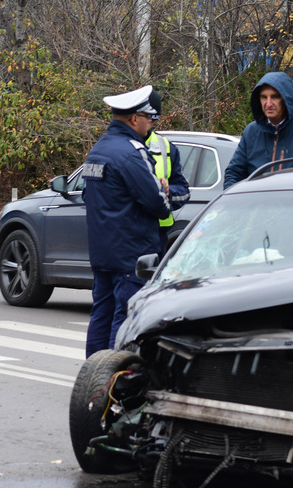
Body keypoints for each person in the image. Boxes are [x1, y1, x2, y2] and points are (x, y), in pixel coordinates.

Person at [83, 85, 171, 358]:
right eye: (149, 119)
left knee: (101, 313)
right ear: (135, 119)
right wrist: (164, 193)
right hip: (131, 254)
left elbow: (89, 196)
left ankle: (92, 375)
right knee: (124, 318)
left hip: (102, 252)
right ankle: (111, 380)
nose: (151, 125)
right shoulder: (132, 152)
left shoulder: (98, 149)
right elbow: (156, 204)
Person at [223, 72, 293, 188]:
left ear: (286, 99)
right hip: (259, 204)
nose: (268, 104)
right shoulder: (251, 132)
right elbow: (233, 174)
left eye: (275, 97)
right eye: (264, 97)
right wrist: (236, 203)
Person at [143, 89, 190, 249]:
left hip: (159, 232)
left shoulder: (167, 148)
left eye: (153, 119)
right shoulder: (120, 145)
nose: (149, 123)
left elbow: (184, 192)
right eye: (147, 117)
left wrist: (169, 192)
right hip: (129, 230)